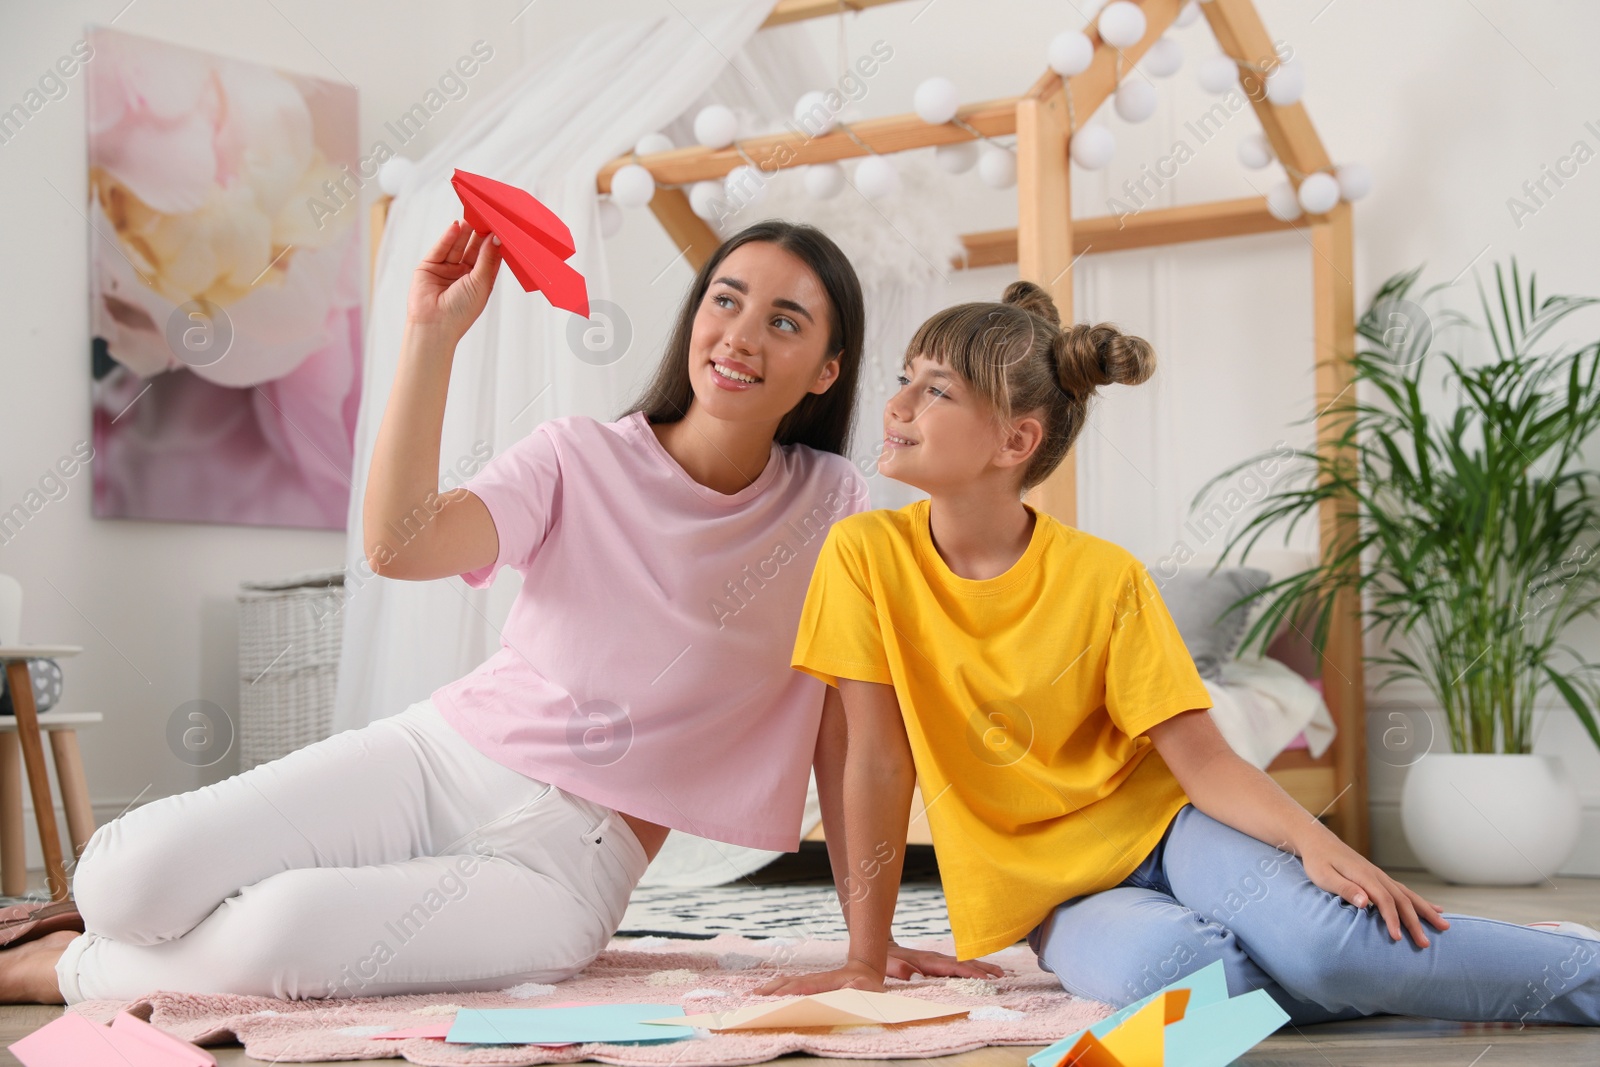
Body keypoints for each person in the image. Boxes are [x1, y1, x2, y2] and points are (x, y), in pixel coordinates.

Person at [0, 215, 987, 1003]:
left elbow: (854, 734)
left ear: (825, 368)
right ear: (694, 317)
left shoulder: (835, 511)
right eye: (725, 300)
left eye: (784, 320)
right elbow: (401, 544)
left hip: (570, 864)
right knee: (123, 876)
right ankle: (85, 925)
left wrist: (870, 946)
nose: (740, 334)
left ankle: (63, 969)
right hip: (441, 758)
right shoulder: (575, 456)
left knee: (277, 930)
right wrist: (431, 334)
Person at [759, 279, 1600, 1029]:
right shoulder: (863, 555)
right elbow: (872, 758)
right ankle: (1427, 973)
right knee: (1183, 978)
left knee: (1326, 947)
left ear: (1014, 442)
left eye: (933, 388)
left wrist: (1313, 840)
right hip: (1058, 897)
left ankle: (1568, 970)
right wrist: (866, 959)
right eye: (906, 375)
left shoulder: (1105, 577)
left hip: (1172, 829)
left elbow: (1199, 756)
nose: (898, 402)